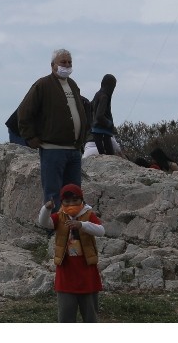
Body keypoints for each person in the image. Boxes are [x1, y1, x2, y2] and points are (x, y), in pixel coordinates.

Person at [16, 49, 89, 209]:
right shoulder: (43, 85)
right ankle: (53, 223)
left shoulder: (72, 85)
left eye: (69, 62)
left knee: (74, 194)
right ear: (52, 65)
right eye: (63, 62)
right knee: (53, 194)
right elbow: (24, 112)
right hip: (52, 150)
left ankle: (71, 223)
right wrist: (31, 137)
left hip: (74, 150)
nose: (67, 65)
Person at [36, 184, 105, 323]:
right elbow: (44, 222)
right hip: (66, 273)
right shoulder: (60, 217)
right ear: (62, 202)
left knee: (90, 316)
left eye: (75, 200)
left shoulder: (88, 214)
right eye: (67, 201)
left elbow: (101, 231)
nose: (71, 204)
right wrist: (46, 209)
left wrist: (82, 225)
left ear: (82, 200)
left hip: (87, 273)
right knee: (65, 316)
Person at [90, 74, 117, 155]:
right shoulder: (104, 97)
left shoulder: (97, 94)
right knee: (109, 156)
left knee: (103, 155)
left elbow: (91, 108)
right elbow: (99, 116)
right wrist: (109, 124)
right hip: (102, 131)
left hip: (96, 130)